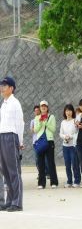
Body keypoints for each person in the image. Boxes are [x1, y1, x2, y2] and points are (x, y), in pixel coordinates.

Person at [0, 77, 24, 212]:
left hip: (11, 136)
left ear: (11, 88)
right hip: (2, 136)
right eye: (1, 86)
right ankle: (9, 200)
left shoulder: (15, 103)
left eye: (4, 85)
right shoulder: (3, 104)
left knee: (14, 171)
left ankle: (17, 202)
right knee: (5, 171)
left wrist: (20, 141)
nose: (2, 88)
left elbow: (20, 123)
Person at [34, 100, 59, 189]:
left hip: (49, 141)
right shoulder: (37, 118)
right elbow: (36, 130)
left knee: (51, 162)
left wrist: (46, 122)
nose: (43, 107)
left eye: (45, 106)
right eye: (42, 106)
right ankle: (41, 183)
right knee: (40, 163)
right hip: (40, 141)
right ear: (40, 108)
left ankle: (54, 182)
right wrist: (41, 122)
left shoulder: (51, 117)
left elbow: (53, 129)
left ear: (47, 107)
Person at [59, 104, 80, 188]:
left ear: (72, 112)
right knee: (67, 164)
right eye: (67, 110)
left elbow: (77, 132)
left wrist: (70, 137)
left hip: (73, 145)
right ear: (65, 112)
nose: (68, 112)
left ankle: (77, 181)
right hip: (65, 146)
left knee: (74, 164)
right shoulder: (63, 122)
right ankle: (69, 181)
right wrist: (65, 137)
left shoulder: (75, 121)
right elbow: (60, 133)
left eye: (70, 110)